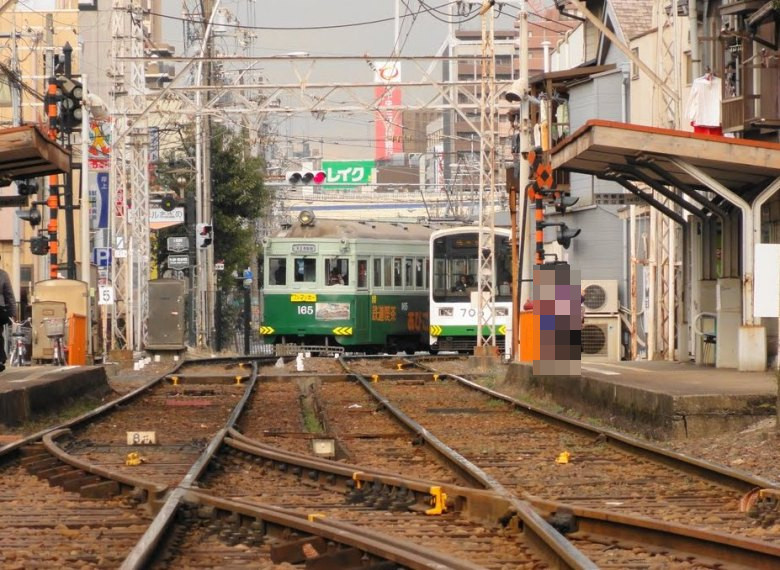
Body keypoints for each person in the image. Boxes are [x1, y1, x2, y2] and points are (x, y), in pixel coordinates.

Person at [0, 262, 17, 372]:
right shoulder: (2, 275)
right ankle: (1, 358)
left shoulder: (3, 275)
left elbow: (9, 295)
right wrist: (12, 312)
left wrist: (12, 312)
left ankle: (1, 358)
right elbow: (9, 295)